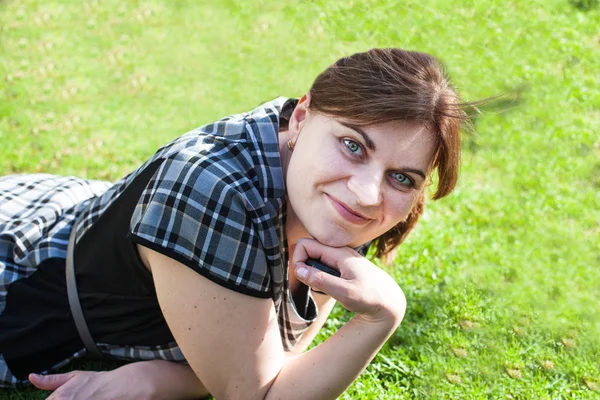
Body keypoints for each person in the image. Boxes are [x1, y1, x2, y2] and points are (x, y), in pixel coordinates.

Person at [0, 48, 469, 399]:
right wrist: (381, 316)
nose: (367, 194)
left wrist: (160, 379)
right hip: (23, 281)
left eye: (402, 177)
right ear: (302, 115)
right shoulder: (214, 191)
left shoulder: (336, 193)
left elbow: (280, 355)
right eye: (353, 146)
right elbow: (260, 393)